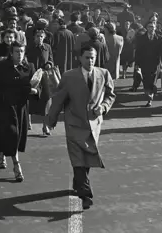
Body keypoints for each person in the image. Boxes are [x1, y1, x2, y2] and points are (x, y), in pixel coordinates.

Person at [47, 44, 116, 210]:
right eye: (87, 57)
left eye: (93, 57)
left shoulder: (104, 73)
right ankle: (85, 194)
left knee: (87, 158)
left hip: (93, 124)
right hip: (74, 124)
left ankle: (78, 181)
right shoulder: (69, 76)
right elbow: (58, 99)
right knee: (78, 158)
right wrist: (51, 120)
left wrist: (104, 107)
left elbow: (110, 94)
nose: (91, 60)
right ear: (79, 58)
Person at [0, 41, 39, 181]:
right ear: (11, 53)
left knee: (16, 135)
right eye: (17, 51)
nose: (19, 54)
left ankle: (1, 153)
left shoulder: (29, 67)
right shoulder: (2, 67)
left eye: (22, 51)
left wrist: (35, 91)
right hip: (5, 106)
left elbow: (36, 83)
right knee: (12, 134)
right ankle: (17, 165)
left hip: (20, 107)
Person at [134, 21, 162, 107]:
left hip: (155, 63)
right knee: (145, 80)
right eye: (149, 27)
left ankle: (150, 98)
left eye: (153, 27)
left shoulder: (160, 38)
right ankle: (148, 92)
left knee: (153, 80)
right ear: (146, 28)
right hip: (144, 63)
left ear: (155, 28)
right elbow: (138, 52)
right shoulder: (141, 38)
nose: (151, 29)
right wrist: (137, 63)